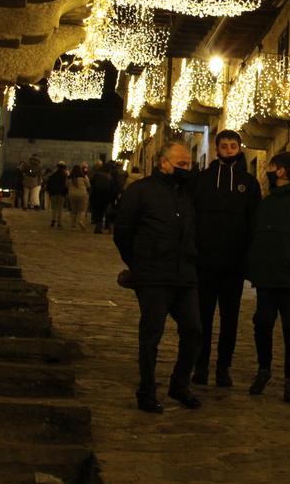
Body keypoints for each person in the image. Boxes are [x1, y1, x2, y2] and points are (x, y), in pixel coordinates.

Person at [113, 140, 203, 413]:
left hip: (184, 275)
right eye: (182, 164)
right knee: (152, 334)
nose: (187, 169)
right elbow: (123, 233)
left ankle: (179, 384)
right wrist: (139, 263)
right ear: (164, 163)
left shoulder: (188, 194)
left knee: (194, 331)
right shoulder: (140, 192)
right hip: (153, 276)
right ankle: (147, 390)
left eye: (190, 164)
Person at [186, 129, 261, 388]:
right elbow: (191, 217)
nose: (229, 149)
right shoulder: (202, 179)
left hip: (233, 264)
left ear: (239, 148)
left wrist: (249, 260)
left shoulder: (249, 183)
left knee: (230, 318)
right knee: (202, 317)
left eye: (233, 146)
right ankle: (201, 365)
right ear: (217, 149)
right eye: (224, 145)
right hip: (205, 262)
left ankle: (223, 367)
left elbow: (254, 222)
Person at [245, 151, 290, 402]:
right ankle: (263, 368)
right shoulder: (266, 203)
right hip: (266, 278)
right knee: (262, 323)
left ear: (282, 171)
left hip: (289, 279)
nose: (268, 169)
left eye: (272, 166)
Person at [90, 160, 114, 234]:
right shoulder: (109, 177)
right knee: (104, 211)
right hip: (106, 196)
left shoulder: (96, 175)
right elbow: (112, 187)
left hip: (96, 195)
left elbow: (92, 183)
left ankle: (98, 226)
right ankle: (105, 228)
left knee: (98, 211)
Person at [45, 162, 69, 228]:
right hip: (61, 193)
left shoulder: (53, 175)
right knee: (60, 208)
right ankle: (59, 222)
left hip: (53, 193)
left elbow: (49, 184)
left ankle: (53, 220)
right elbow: (66, 185)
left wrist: (50, 192)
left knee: (53, 208)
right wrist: (66, 192)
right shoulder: (65, 176)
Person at [67, 164, 90, 230]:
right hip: (82, 194)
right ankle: (80, 220)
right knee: (82, 209)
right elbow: (88, 185)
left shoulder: (70, 178)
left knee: (73, 210)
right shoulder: (84, 177)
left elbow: (66, 185)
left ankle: (73, 226)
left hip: (72, 194)